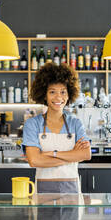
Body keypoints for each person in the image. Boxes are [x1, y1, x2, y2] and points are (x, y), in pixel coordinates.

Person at [22, 63, 91, 194]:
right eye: (52, 92)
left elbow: (86, 154)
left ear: (69, 94)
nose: (58, 97)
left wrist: (51, 154)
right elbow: (34, 160)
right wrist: (71, 156)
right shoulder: (32, 124)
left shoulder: (75, 123)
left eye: (63, 92)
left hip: (72, 192)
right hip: (43, 192)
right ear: (44, 95)